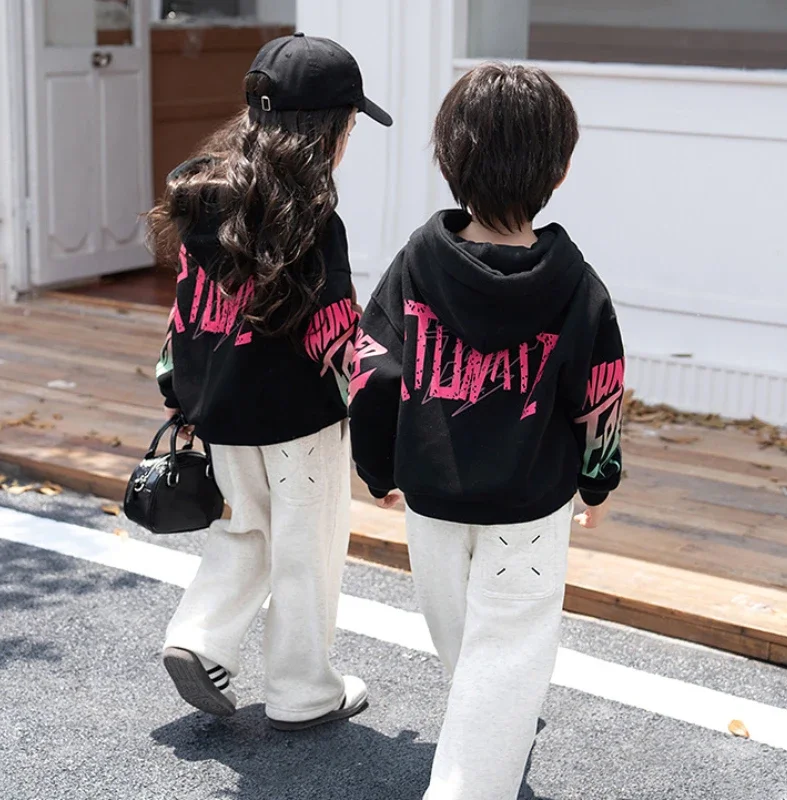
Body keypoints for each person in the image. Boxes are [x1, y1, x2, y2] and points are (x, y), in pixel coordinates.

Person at [349, 63, 624, 798]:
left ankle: (488, 728)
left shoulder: (416, 264)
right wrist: (596, 481)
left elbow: (372, 372)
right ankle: (473, 773)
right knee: (508, 648)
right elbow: (598, 394)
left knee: (463, 637)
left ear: (449, 159)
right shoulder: (576, 284)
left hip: (434, 495)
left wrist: (380, 469)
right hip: (529, 506)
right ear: (559, 170)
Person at [148, 33, 392, 728]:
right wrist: (375, 434)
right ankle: (302, 692)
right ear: (329, 130)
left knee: (248, 528)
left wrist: (184, 396)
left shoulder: (205, 199)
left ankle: (199, 637)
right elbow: (339, 336)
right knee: (307, 551)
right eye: (349, 125)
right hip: (300, 423)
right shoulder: (312, 218)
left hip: (222, 413)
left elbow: (186, 316)